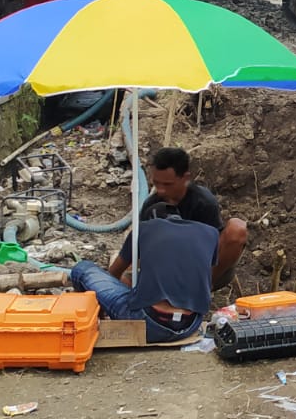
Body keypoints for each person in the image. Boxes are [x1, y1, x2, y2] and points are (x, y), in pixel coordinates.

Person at [70, 211, 217, 343]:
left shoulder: (144, 228)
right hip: (190, 326)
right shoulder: (211, 233)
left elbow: (114, 273)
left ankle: (87, 322)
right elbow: (205, 280)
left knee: (82, 269)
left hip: (148, 325)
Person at [140, 146, 248, 290]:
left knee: (237, 228)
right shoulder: (151, 206)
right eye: (157, 183)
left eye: (167, 184)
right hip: (168, 272)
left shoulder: (203, 202)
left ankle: (201, 287)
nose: (161, 190)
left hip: (208, 268)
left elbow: (210, 247)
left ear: (185, 178)